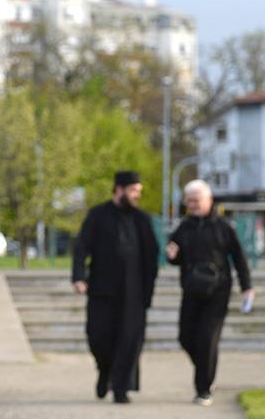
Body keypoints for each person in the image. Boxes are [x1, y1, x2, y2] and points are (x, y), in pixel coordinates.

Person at [71, 171, 160, 403]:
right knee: (97, 337)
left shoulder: (142, 219)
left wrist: (148, 291)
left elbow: (152, 256)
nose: (136, 196)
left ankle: (121, 388)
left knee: (129, 340)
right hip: (101, 289)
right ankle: (104, 371)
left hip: (134, 293)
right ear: (118, 189)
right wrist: (79, 277)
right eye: (133, 191)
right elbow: (81, 247)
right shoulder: (98, 216)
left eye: (138, 192)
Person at [165, 180, 253, 406]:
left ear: (209, 200)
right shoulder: (183, 227)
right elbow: (175, 257)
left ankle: (203, 389)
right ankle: (206, 369)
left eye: (197, 200)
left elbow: (239, 258)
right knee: (185, 337)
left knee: (206, 338)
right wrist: (172, 256)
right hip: (191, 290)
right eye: (189, 201)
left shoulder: (224, 226)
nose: (192, 205)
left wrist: (247, 287)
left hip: (218, 291)